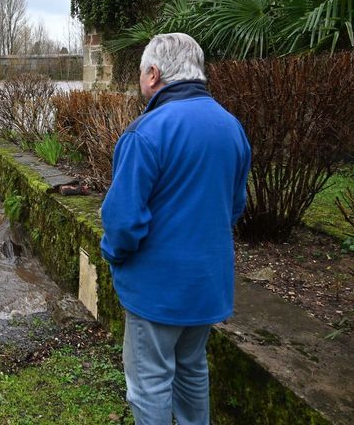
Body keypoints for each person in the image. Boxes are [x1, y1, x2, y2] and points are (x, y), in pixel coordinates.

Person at [99, 33, 250, 425]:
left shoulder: (146, 132)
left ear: (153, 73)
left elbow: (122, 222)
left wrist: (115, 255)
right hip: (207, 285)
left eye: (140, 74)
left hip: (157, 291)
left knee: (149, 382)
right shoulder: (231, 127)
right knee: (191, 369)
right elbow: (234, 207)